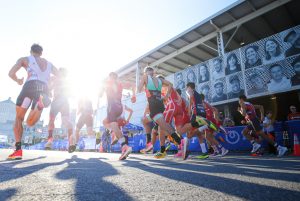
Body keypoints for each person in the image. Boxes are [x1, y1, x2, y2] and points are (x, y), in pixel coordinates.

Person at [7, 44, 58, 160]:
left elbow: (11, 73)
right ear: (41, 53)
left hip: (29, 86)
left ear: (31, 51)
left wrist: (18, 80)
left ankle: (18, 150)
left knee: (19, 118)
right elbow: (60, 77)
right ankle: (39, 105)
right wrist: (50, 87)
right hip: (43, 88)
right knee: (30, 123)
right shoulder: (49, 64)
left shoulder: (24, 59)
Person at [137, 67, 182, 159]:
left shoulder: (146, 77)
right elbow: (171, 84)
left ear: (146, 72)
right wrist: (166, 96)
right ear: (153, 73)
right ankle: (152, 144)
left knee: (163, 126)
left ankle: (179, 141)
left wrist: (141, 88)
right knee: (148, 123)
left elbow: (138, 89)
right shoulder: (159, 79)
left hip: (154, 106)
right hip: (159, 106)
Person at [99, 72, 136, 160]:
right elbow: (133, 85)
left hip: (112, 107)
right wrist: (133, 95)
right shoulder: (120, 83)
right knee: (105, 122)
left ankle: (124, 146)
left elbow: (100, 95)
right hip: (119, 107)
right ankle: (115, 134)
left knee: (113, 126)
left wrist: (101, 88)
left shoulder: (107, 83)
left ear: (109, 77)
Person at [45, 68, 73, 152]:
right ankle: (70, 142)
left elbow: (49, 88)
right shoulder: (63, 80)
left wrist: (49, 91)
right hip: (62, 101)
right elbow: (49, 88)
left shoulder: (57, 79)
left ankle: (50, 141)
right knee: (64, 121)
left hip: (59, 101)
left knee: (52, 121)